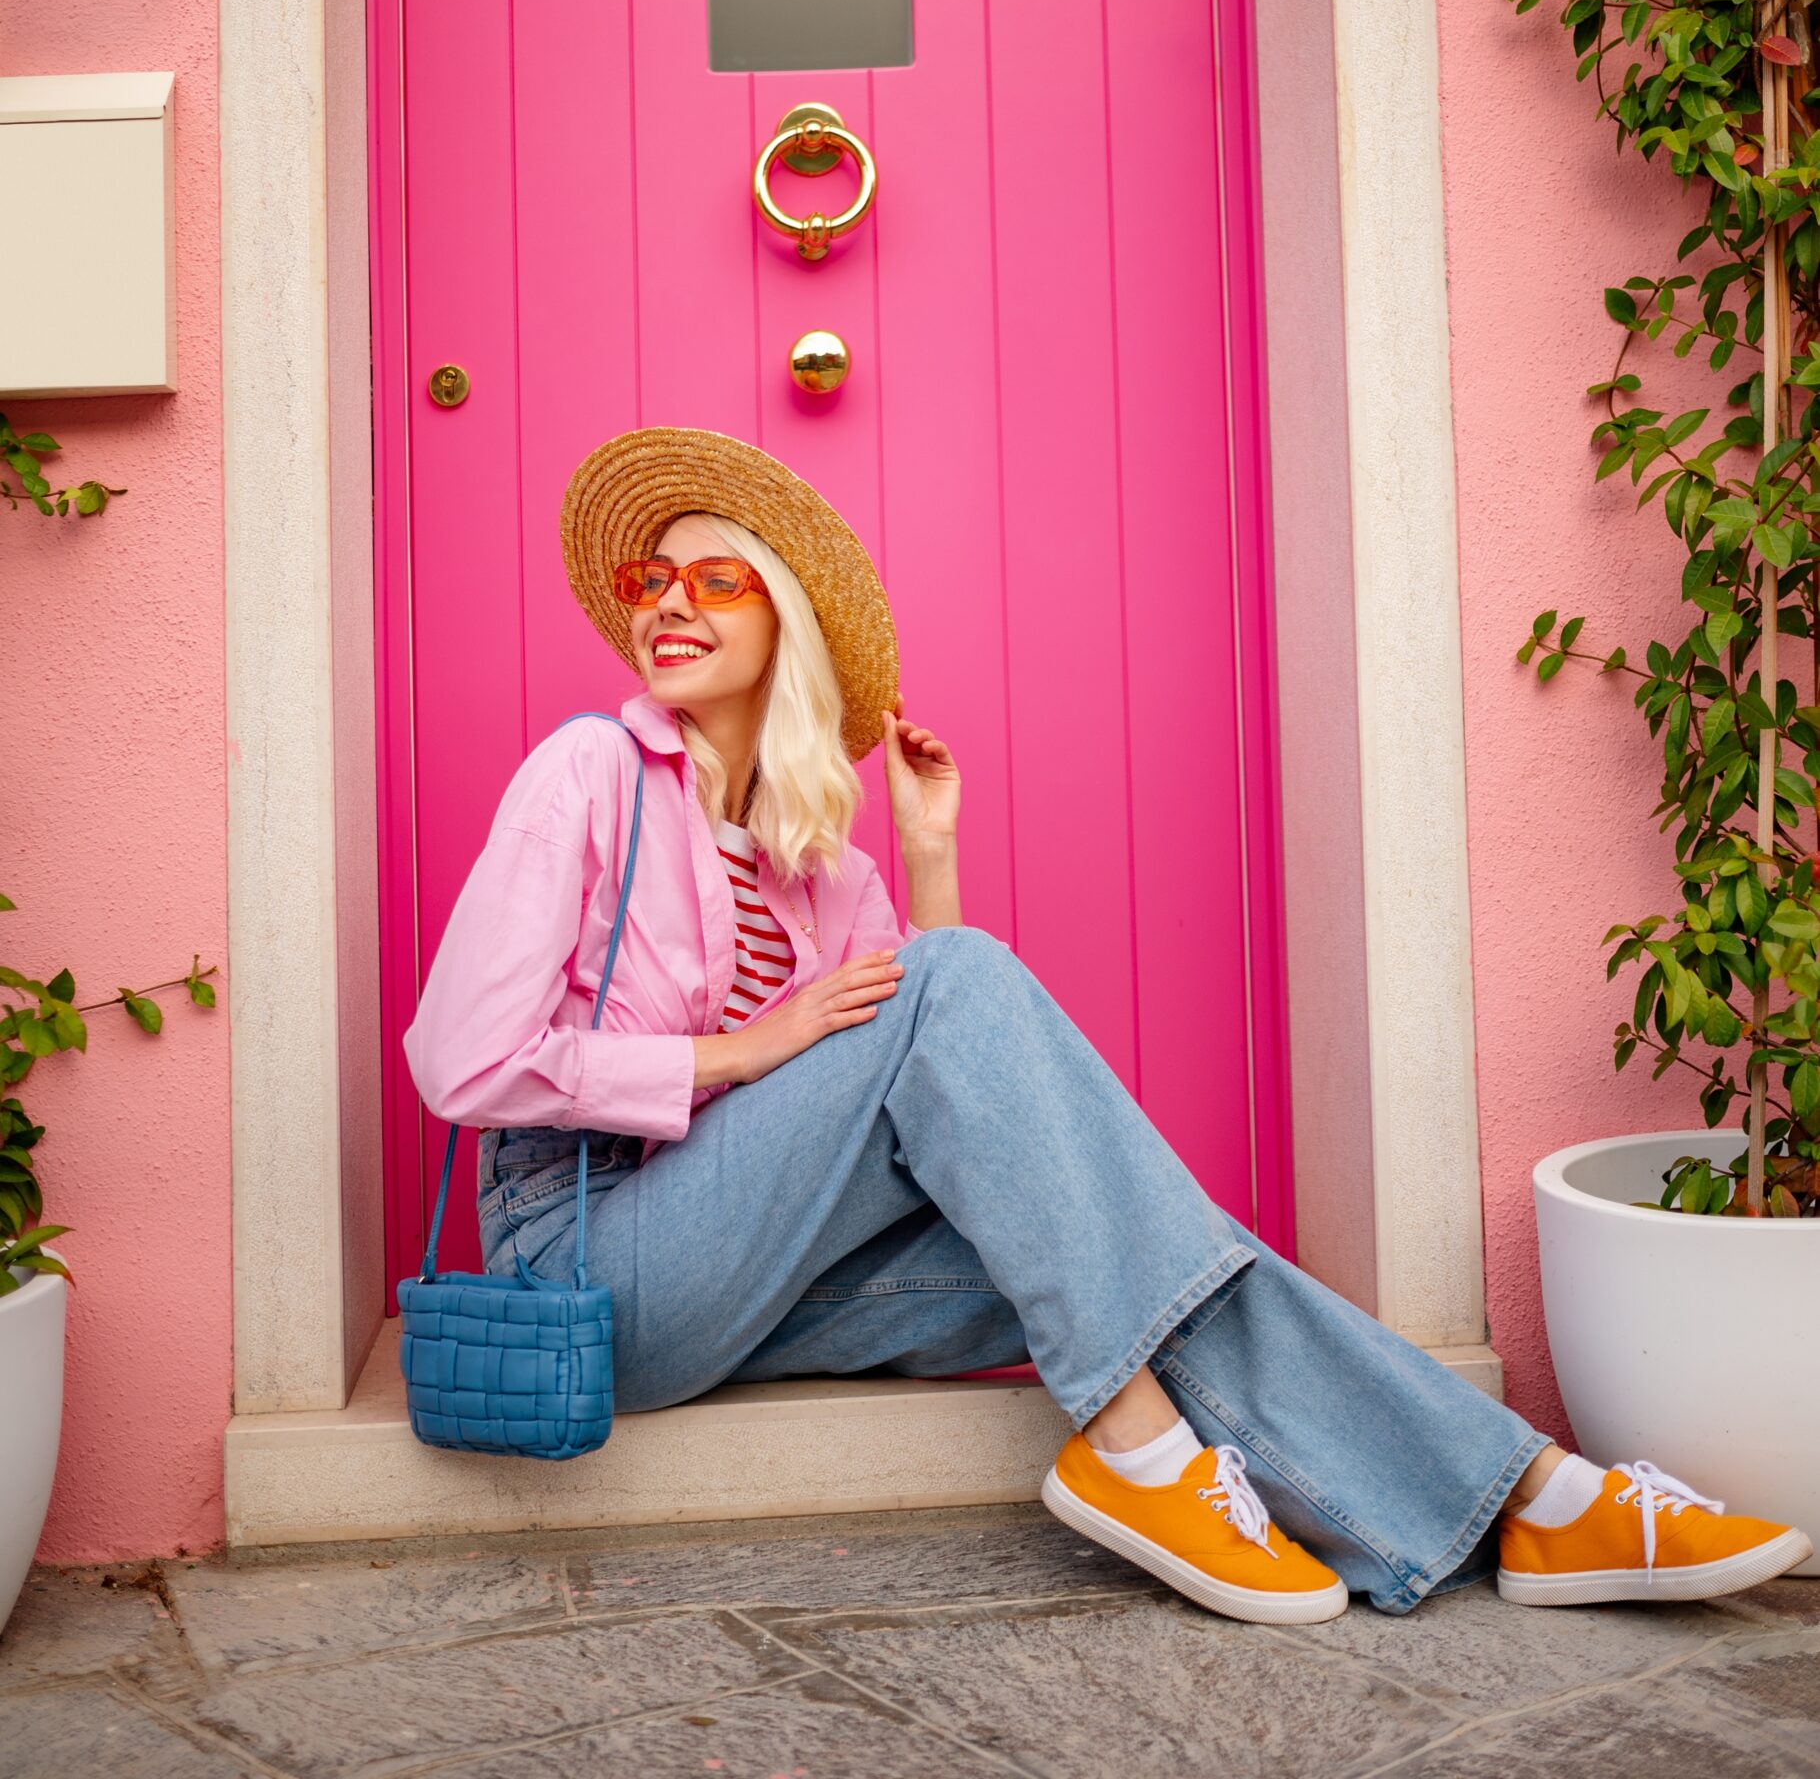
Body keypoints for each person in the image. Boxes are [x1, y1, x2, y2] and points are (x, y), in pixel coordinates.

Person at [405, 426, 1812, 1620]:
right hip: (593, 1268)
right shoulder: (589, 770)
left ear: (788, 625)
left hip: (759, 1283)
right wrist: (742, 1052)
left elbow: (943, 1087)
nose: (671, 602)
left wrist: (929, 850)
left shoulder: (817, 866)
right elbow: (457, 1061)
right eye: (652, 579)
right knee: (1016, 1067)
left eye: (719, 579)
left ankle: (1537, 1499)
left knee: (1144, 1242)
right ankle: (1136, 1455)